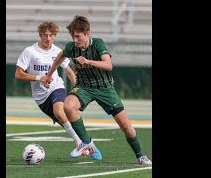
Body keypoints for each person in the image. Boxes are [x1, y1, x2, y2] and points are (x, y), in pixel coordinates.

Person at [42, 15, 152, 165]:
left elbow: (108, 65)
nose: (75, 40)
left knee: (125, 126)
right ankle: (86, 142)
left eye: (78, 36)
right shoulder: (71, 47)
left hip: (105, 88)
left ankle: (140, 155)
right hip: (84, 87)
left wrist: (88, 61)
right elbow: (60, 57)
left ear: (87, 34)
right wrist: (49, 75)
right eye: (73, 36)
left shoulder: (98, 44)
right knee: (68, 106)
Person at [14, 21, 89, 156]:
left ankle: (80, 143)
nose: (48, 38)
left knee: (59, 112)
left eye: (51, 35)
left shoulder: (58, 51)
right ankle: (86, 142)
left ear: (55, 36)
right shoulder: (30, 51)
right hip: (40, 97)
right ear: (40, 35)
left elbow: (70, 72)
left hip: (56, 87)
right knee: (63, 120)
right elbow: (18, 74)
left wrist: (79, 91)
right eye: (45, 35)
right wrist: (39, 78)